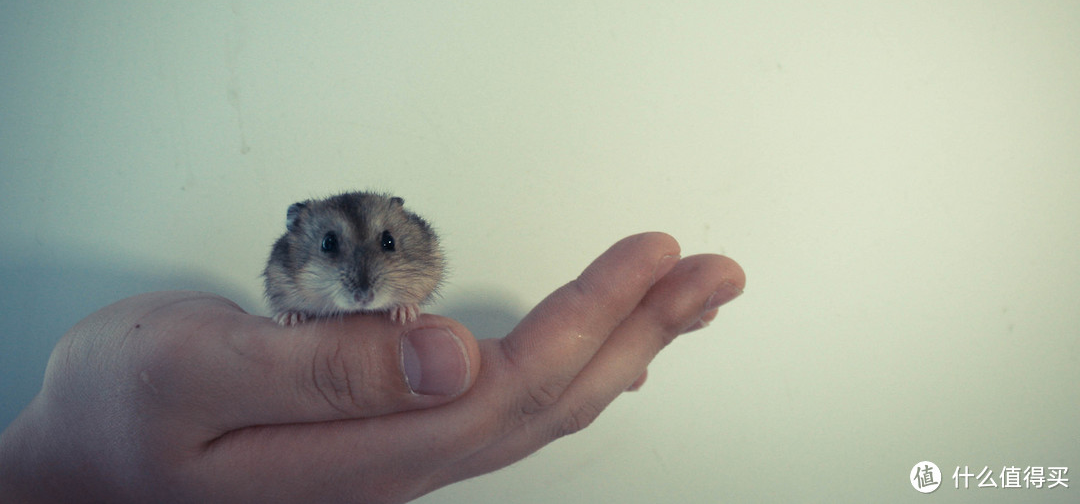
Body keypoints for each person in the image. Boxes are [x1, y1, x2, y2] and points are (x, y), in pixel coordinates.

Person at [0, 233, 744, 503]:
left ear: (407, 235)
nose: (361, 273)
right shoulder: (290, 268)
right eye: (331, 251)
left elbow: (410, 281)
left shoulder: (411, 261)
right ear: (302, 242)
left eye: (383, 249)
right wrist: (51, 473)